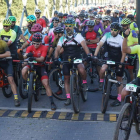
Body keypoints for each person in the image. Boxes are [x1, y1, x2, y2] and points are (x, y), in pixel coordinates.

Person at [54, 17, 91, 105]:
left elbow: (85, 46)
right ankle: (68, 98)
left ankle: (84, 82)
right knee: (66, 78)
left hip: (77, 58)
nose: (68, 28)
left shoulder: (78, 36)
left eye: (69, 26)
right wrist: (55, 58)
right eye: (66, 26)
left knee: (82, 70)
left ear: (73, 26)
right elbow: (57, 49)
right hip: (66, 59)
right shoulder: (62, 38)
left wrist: (89, 55)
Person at [22, 32, 56, 110]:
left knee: (46, 83)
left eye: (38, 44)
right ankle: (28, 83)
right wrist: (25, 55)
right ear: (32, 42)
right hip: (31, 65)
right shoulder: (30, 47)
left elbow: (41, 59)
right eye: (34, 43)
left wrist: (34, 58)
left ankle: (52, 102)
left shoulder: (44, 47)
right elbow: (24, 56)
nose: (36, 45)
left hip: (40, 66)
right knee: (23, 70)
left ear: (41, 42)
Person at [94, 22, 126, 107]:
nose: (113, 31)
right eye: (112, 29)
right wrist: (95, 55)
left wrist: (121, 64)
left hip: (118, 58)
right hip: (109, 57)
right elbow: (99, 45)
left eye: (115, 30)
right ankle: (101, 82)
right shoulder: (107, 35)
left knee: (119, 79)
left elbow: (123, 53)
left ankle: (119, 98)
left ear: (118, 31)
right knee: (102, 69)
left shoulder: (121, 39)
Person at [121, 29, 140, 102]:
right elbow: (125, 50)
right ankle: (130, 110)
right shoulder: (139, 47)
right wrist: (125, 37)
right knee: (124, 93)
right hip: (139, 79)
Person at [0, 40, 20, 106]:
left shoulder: (2, 43)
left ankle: (16, 98)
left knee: (10, 79)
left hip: (7, 62)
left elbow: (8, 54)